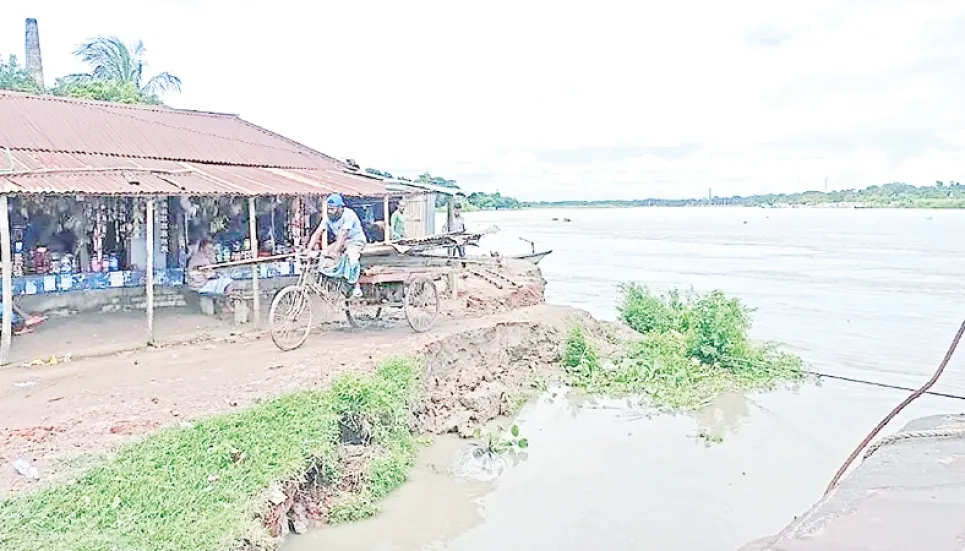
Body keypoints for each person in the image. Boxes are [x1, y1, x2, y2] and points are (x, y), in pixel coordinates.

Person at [308, 194, 367, 298]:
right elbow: (317, 233)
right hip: (341, 241)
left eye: (332, 209)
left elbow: (344, 234)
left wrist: (335, 252)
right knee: (324, 254)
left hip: (355, 241)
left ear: (340, 208)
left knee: (351, 257)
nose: (330, 211)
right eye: (329, 209)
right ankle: (325, 282)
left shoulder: (349, 215)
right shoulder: (328, 218)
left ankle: (356, 286)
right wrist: (308, 249)